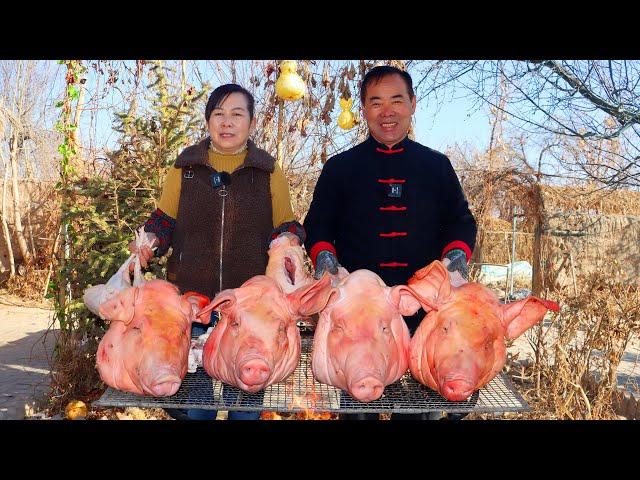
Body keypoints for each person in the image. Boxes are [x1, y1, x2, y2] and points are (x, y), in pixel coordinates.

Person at [303, 65, 477, 420]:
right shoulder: (340, 168)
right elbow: (318, 227)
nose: (387, 111)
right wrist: (327, 264)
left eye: (397, 100)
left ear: (413, 104)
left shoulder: (436, 166)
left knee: (416, 412)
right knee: (357, 408)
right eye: (376, 102)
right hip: (359, 321)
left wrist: (455, 260)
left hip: (423, 315)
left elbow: (461, 221)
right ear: (364, 110)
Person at [130, 83, 305, 420]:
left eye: (237, 114)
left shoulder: (268, 171)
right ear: (208, 120)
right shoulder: (186, 168)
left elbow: (287, 227)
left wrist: (287, 245)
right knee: (196, 411)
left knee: (244, 409)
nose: (227, 122)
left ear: (251, 122)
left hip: (250, 314)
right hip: (194, 307)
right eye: (219, 114)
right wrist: (148, 242)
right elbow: (163, 222)